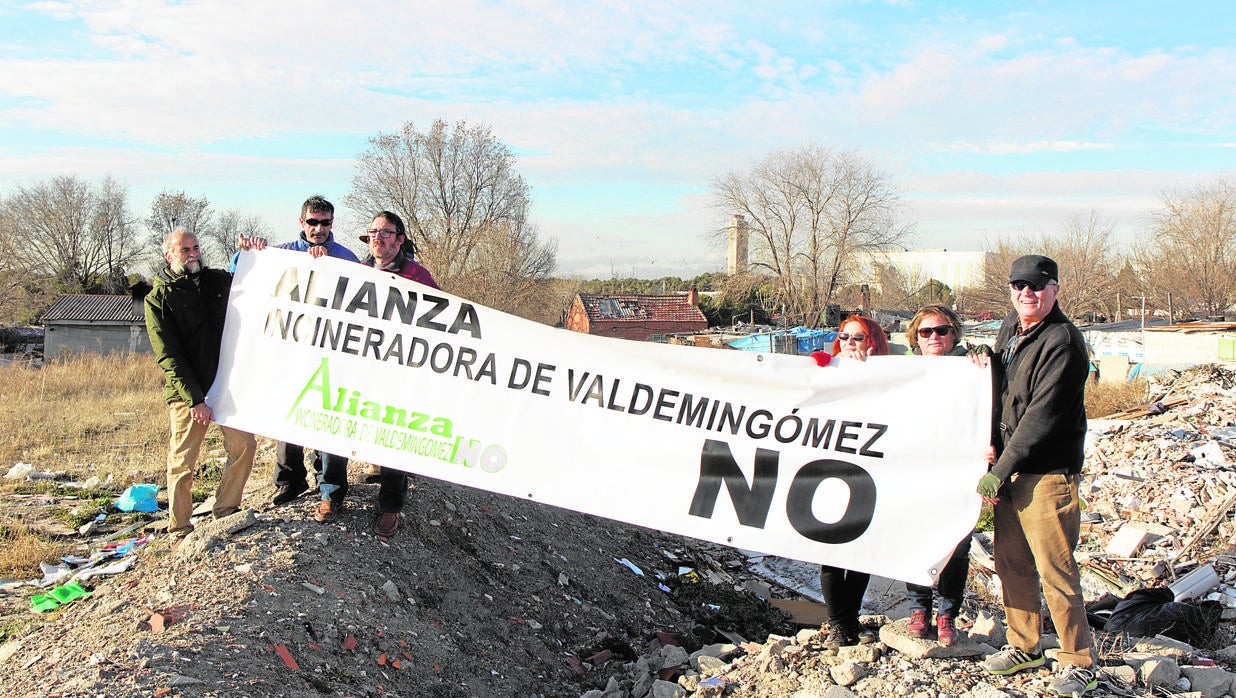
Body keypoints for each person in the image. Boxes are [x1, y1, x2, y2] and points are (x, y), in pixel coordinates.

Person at [975, 255, 1096, 696]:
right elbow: (1005, 388)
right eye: (1019, 286)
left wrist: (1000, 470)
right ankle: (1025, 645)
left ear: (1055, 290)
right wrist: (985, 358)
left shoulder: (1062, 341)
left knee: (1055, 570)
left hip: (1046, 474)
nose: (1027, 294)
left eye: (1036, 286)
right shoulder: (1013, 327)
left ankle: (1079, 659)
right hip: (1010, 472)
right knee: (1012, 564)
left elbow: (1040, 418)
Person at [144, 229, 263, 538]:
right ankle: (180, 528)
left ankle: (226, 509)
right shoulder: (159, 298)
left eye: (195, 247)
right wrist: (195, 399)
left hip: (226, 388)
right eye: (185, 249)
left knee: (245, 446)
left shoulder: (218, 282)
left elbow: (251, 279)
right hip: (188, 395)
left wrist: (250, 253)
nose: (193, 253)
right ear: (169, 256)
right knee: (182, 462)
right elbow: (169, 355)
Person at [269, 195, 360, 515]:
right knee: (288, 414)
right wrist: (248, 251)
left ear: (332, 223)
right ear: (301, 222)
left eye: (325, 223)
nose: (319, 229)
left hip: (332, 355)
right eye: (312, 222)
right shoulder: (280, 254)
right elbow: (241, 270)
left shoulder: (347, 259)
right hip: (291, 352)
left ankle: (330, 487)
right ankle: (290, 480)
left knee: (330, 420)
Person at [809, 313, 890, 648]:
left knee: (862, 550)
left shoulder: (892, 375)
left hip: (870, 473)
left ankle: (851, 619)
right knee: (832, 550)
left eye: (858, 337)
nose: (850, 344)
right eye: (844, 337)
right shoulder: (827, 367)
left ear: (873, 341)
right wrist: (827, 364)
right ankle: (837, 623)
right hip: (831, 470)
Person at [356, 210, 439, 536]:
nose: (378, 237)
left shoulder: (417, 275)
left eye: (386, 232)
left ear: (400, 239)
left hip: (401, 372)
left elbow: (441, 317)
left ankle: (391, 506)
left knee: (394, 436)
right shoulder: (358, 273)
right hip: (364, 370)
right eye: (373, 232)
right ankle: (332, 496)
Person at [900, 305, 973, 647]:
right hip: (914, 471)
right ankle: (919, 609)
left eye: (941, 331)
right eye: (926, 332)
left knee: (956, 547)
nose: (934, 338)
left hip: (960, 472)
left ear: (954, 334)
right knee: (913, 540)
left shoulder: (975, 370)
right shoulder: (902, 373)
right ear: (915, 338)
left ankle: (947, 613)